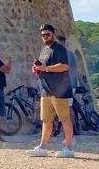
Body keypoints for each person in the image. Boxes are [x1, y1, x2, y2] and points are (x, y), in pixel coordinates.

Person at [28, 24, 75, 158]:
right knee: (46, 120)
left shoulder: (59, 49)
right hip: (46, 89)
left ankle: (69, 148)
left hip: (59, 90)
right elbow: (43, 66)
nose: (45, 37)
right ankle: (42, 147)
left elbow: (64, 66)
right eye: (43, 35)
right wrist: (37, 68)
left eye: (47, 34)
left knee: (65, 119)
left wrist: (46, 69)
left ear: (53, 34)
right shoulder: (44, 50)